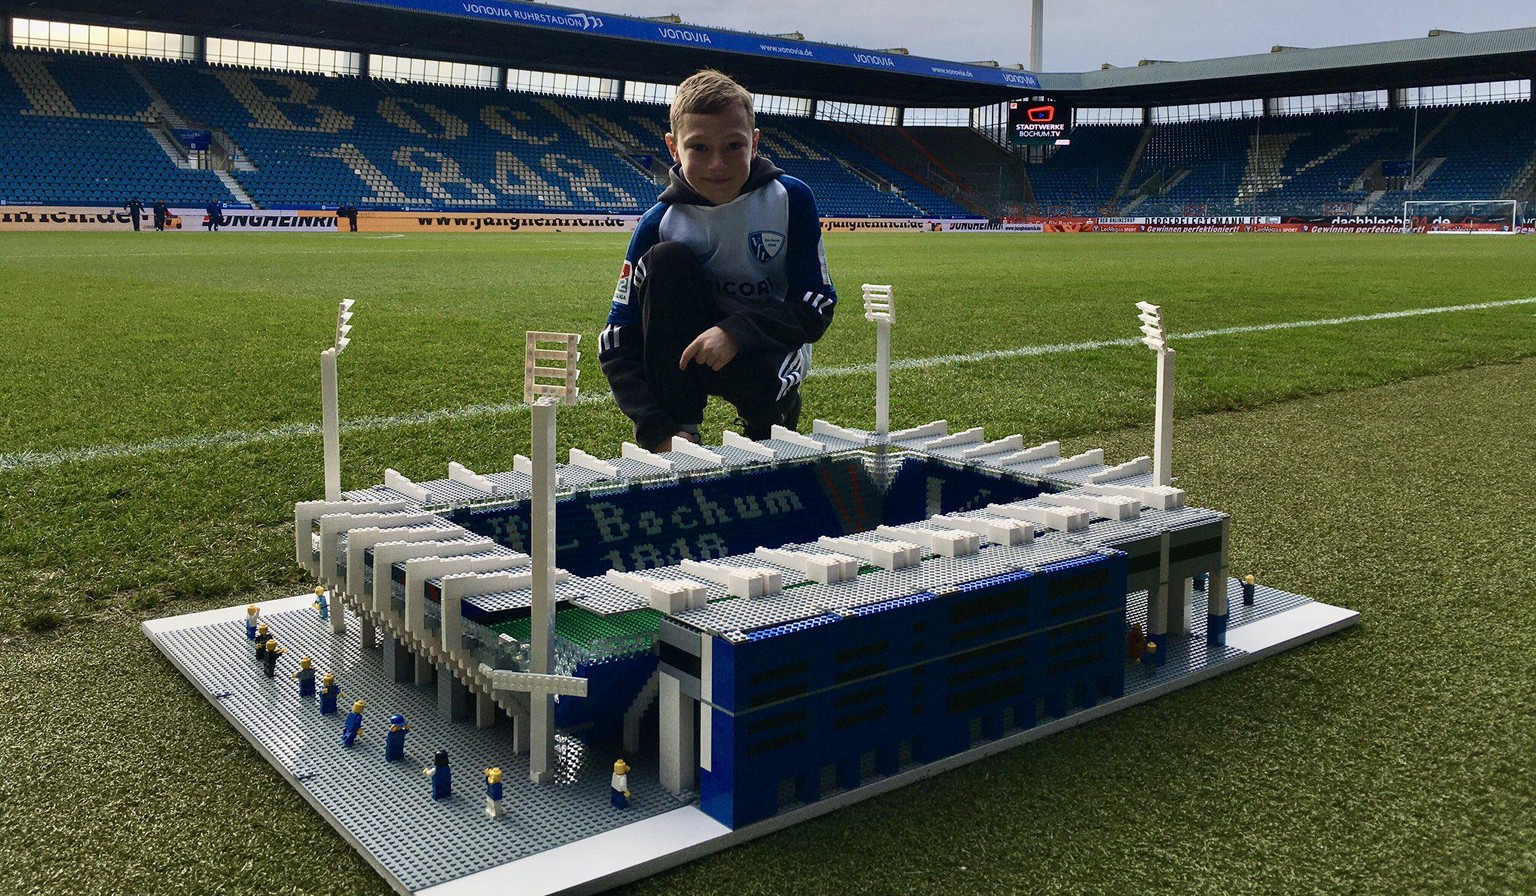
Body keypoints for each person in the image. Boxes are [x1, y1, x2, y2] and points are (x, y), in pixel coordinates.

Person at [598, 69, 836, 452]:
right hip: (686, 359)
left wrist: (735, 333)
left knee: (768, 405)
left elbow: (817, 304)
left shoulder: (790, 199)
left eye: (733, 147)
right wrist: (654, 425)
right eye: (699, 148)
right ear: (673, 148)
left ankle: (772, 412)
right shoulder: (658, 224)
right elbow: (616, 339)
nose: (717, 165)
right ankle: (681, 430)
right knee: (666, 261)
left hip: (764, 349)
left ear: (754, 143)